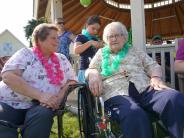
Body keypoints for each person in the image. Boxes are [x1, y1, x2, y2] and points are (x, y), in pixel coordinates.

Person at [85, 22, 184, 138]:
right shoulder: (101, 53)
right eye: (110, 36)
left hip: (145, 88)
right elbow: (90, 69)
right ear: (106, 40)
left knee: (174, 98)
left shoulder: (135, 51)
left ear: (125, 37)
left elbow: (153, 65)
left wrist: (155, 77)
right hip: (116, 93)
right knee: (134, 113)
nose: (114, 39)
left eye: (117, 35)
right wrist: (93, 73)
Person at [0, 23, 77, 138]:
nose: (58, 41)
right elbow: (8, 76)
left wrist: (59, 98)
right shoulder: (25, 53)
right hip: (9, 104)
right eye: (53, 38)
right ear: (40, 39)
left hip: (41, 107)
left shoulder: (61, 58)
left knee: (43, 114)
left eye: (58, 38)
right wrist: (41, 95)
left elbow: (72, 81)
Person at [74, 15, 103, 83]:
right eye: (93, 28)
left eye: (97, 30)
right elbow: (76, 50)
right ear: (87, 25)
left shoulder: (96, 39)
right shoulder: (80, 37)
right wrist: (90, 43)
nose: (95, 31)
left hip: (96, 69)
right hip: (85, 69)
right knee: (85, 92)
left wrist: (101, 46)